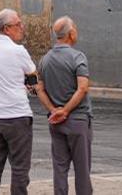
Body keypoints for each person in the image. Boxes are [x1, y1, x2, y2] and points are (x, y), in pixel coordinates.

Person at [0, 8, 37, 195]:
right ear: (6, 28)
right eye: (18, 25)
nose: (22, 27)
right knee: (20, 167)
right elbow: (32, 74)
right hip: (15, 115)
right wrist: (28, 84)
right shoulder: (18, 51)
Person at [35, 17, 93, 195]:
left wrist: (54, 111)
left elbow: (39, 89)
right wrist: (66, 110)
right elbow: (82, 88)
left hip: (56, 123)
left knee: (60, 169)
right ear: (70, 34)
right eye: (75, 28)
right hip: (78, 120)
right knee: (82, 170)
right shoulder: (77, 57)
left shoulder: (45, 60)